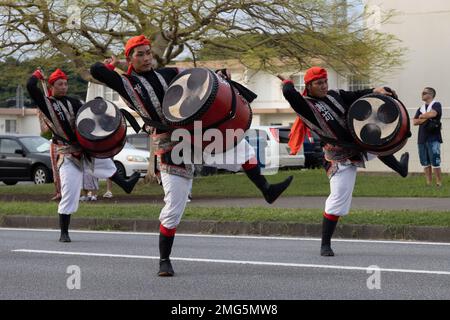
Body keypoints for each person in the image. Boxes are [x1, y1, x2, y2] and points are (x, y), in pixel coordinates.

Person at [90, 35, 293, 276]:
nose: (146, 58)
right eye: (140, 55)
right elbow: (96, 70)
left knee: (241, 146)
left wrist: (219, 78)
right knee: (175, 206)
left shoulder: (167, 73)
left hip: (196, 132)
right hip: (170, 144)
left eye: (148, 53)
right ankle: (164, 260)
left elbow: (198, 78)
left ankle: (266, 189)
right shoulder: (125, 83)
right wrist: (110, 65)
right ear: (130, 59)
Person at [279, 66, 409, 257]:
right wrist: (287, 81)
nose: (323, 86)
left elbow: (356, 94)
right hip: (339, 156)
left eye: (325, 82)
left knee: (377, 141)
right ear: (309, 86)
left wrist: (377, 90)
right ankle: (325, 244)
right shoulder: (306, 106)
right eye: (318, 83)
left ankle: (400, 168)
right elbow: (290, 93)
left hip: (357, 144)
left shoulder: (335, 95)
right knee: (338, 197)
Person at [27, 68, 141, 243]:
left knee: (106, 164)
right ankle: (64, 232)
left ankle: (125, 184)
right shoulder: (47, 104)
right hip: (67, 154)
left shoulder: (74, 102)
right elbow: (30, 86)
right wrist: (36, 75)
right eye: (60, 84)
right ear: (51, 86)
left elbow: (91, 114)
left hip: (84, 148)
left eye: (65, 84)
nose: (64, 87)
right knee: (70, 193)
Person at [413, 87, 443, 187]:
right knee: (425, 162)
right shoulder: (420, 108)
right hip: (422, 138)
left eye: (424, 93)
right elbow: (415, 121)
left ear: (430, 94)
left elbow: (434, 113)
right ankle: (429, 183)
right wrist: (426, 117)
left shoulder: (436, 104)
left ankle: (439, 182)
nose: (422, 94)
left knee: (435, 161)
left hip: (433, 138)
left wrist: (422, 116)